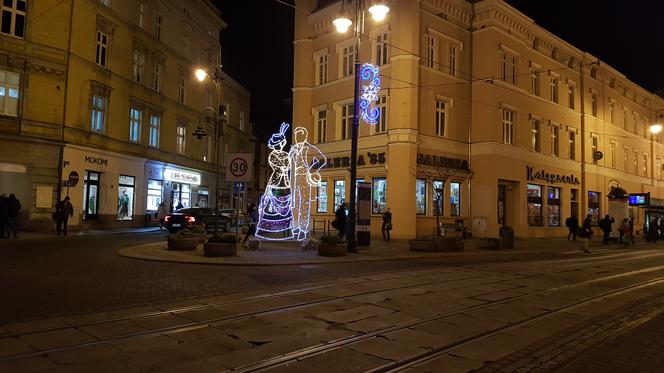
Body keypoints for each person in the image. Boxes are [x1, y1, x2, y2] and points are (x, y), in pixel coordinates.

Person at [289, 127, 326, 240]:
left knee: (304, 203)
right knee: (296, 202)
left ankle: (303, 228)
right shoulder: (294, 149)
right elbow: (289, 162)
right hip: (296, 178)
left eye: (299, 136)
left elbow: (322, 159)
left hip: (305, 177)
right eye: (296, 136)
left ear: (304, 136)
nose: (297, 138)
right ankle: (297, 226)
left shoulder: (309, 148)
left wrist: (311, 170)